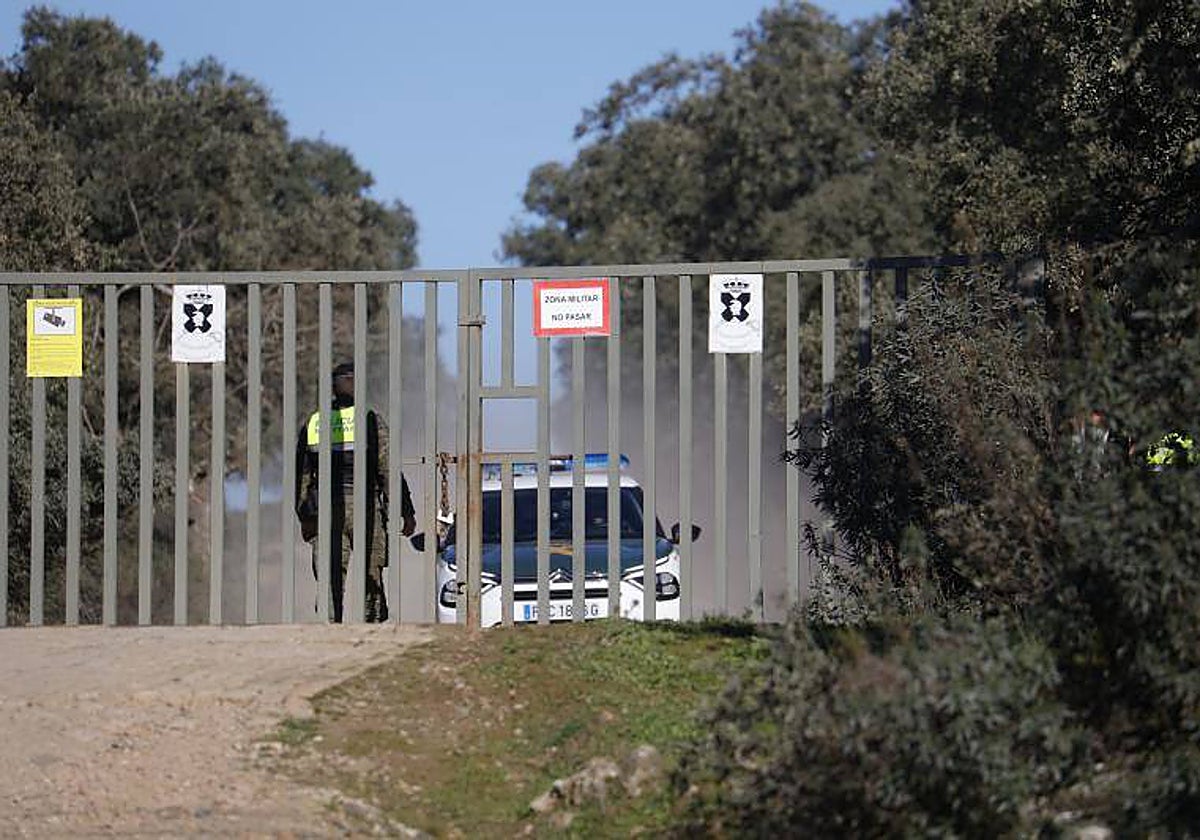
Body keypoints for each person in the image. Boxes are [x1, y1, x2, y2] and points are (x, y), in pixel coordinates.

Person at [295, 362, 415, 622]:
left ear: (332, 389)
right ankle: (372, 627)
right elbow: (388, 470)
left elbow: (302, 476)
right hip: (366, 506)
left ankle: (330, 625)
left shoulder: (315, 422)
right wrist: (406, 511)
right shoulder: (369, 419)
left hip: (328, 507)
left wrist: (305, 516)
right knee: (372, 572)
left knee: (330, 574)